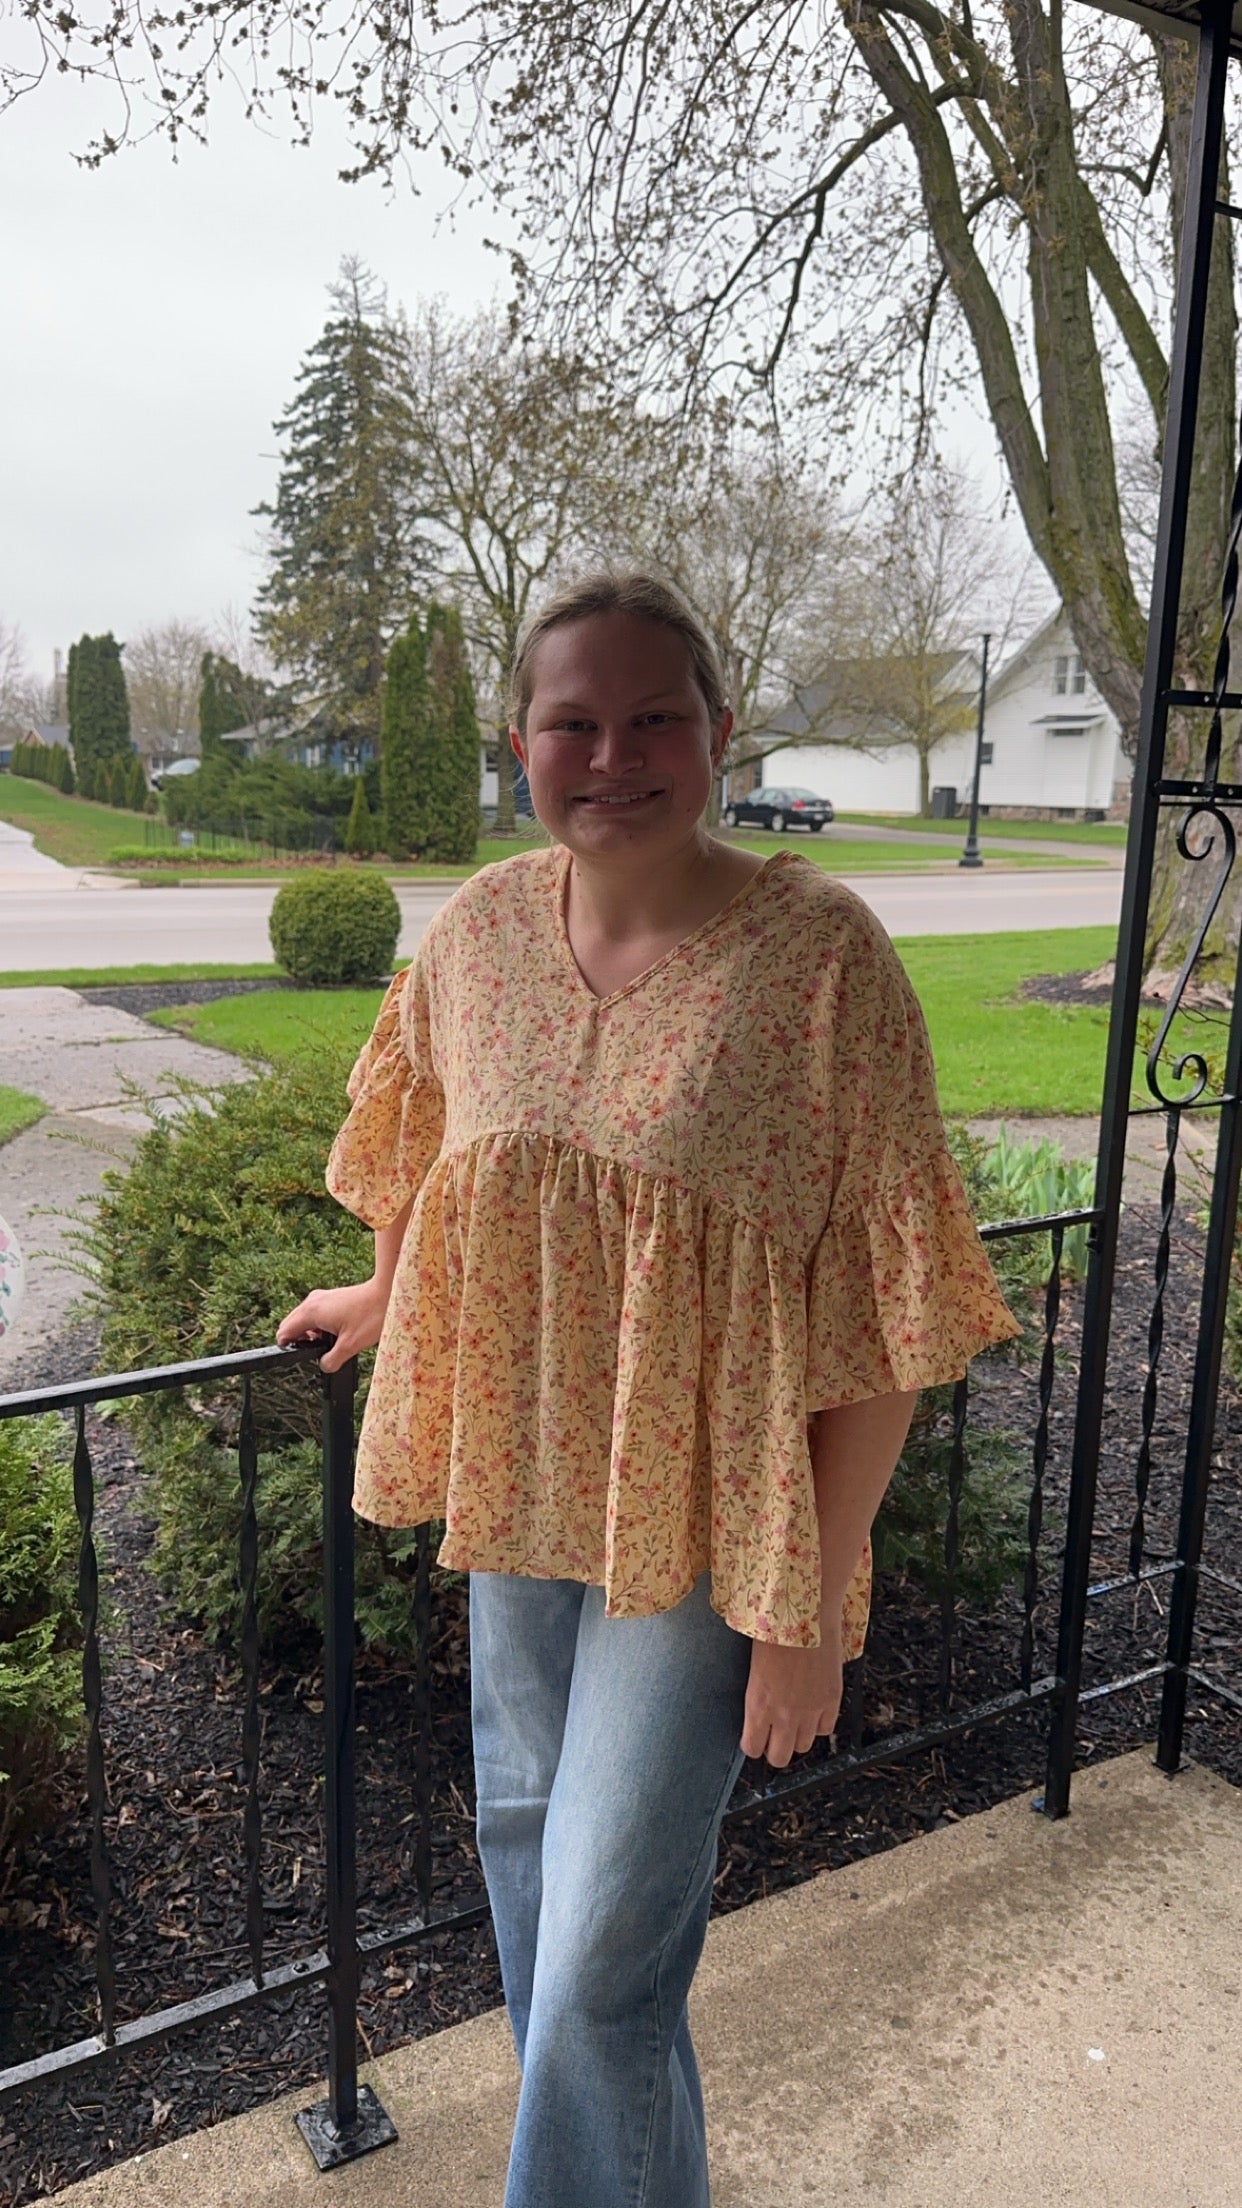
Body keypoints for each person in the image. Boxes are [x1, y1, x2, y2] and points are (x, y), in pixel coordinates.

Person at [277, 570, 1018, 2208]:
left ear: (718, 733)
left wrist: (812, 1603)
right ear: (520, 742)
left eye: (653, 717)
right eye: (573, 721)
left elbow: (890, 1300)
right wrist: (388, 1292)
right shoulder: (475, 935)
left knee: (601, 1953)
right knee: (541, 1890)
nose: (612, 753)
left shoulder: (817, 957)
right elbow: (435, 1149)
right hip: (516, 1480)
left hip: (702, 1519)